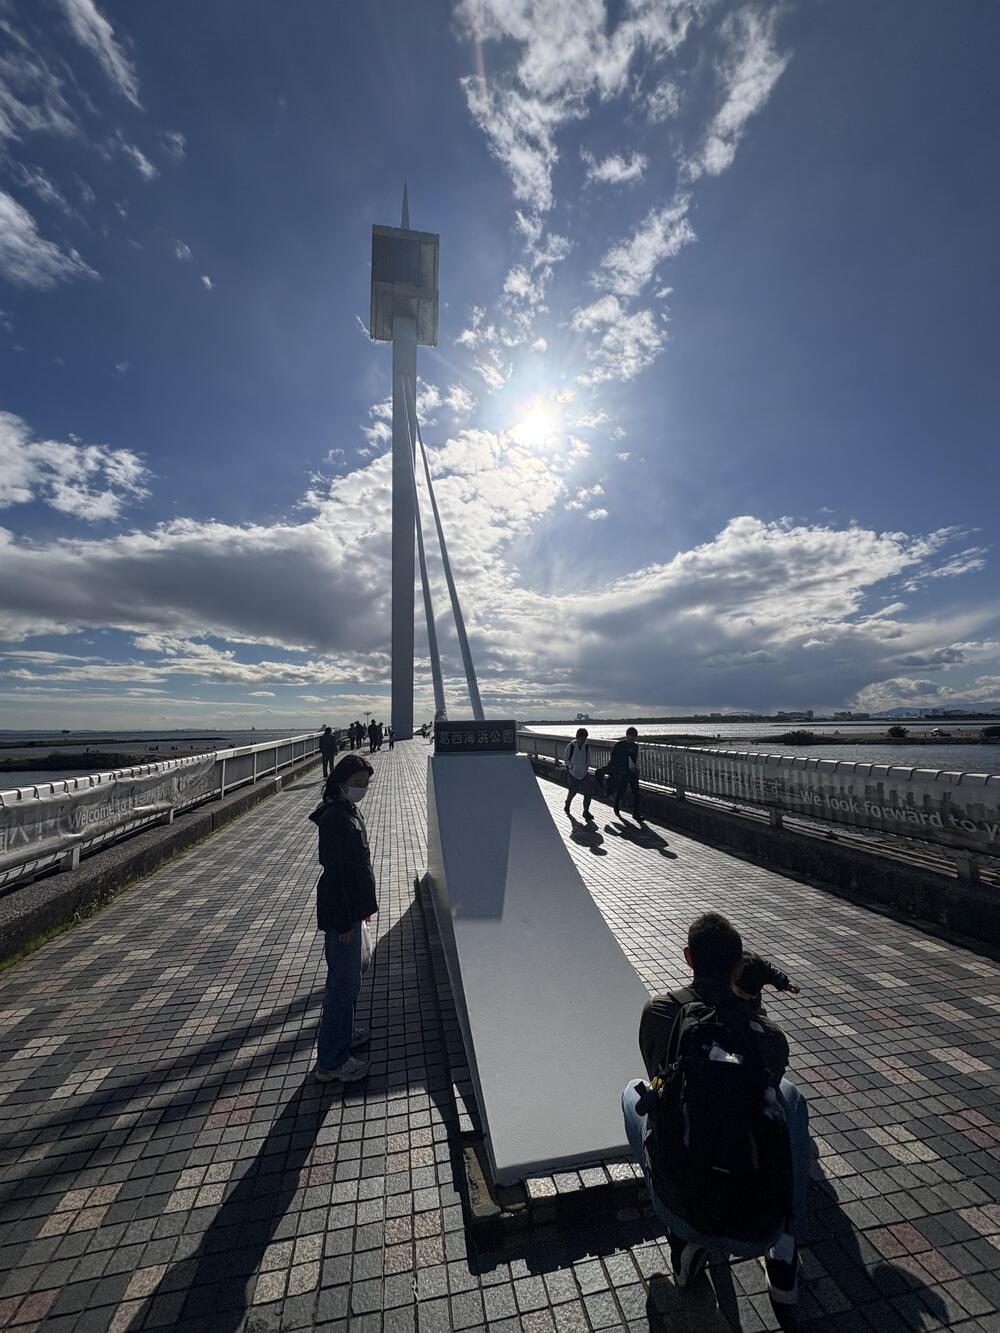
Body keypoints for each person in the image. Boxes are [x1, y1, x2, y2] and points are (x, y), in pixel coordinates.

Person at [621, 913, 809, 1318]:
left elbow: (661, 1082)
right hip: (760, 1216)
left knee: (632, 1095)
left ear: (689, 958)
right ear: (739, 966)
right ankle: (786, 1244)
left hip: (686, 1197)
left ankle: (683, 1240)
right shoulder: (769, 1038)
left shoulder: (658, 1014)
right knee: (791, 1099)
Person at [308, 754, 378, 1083]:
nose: (362, 789)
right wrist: (343, 921)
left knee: (351, 981)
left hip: (351, 912)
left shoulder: (347, 810)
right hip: (342, 916)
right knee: (341, 985)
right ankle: (332, 1062)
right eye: (358, 784)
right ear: (341, 783)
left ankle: (344, 1035)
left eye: (365, 784)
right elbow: (336, 873)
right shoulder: (336, 818)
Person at [607, 726, 642, 820]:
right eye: (631, 736)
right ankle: (616, 804)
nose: (633, 738)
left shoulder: (635, 746)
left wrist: (635, 769)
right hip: (622, 772)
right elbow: (614, 758)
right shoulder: (619, 745)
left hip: (632, 772)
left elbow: (634, 759)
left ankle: (636, 813)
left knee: (636, 793)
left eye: (634, 736)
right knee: (621, 790)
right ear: (627, 735)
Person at [563, 727, 594, 820]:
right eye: (581, 738)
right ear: (577, 737)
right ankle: (568, 803)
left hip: (584, 773)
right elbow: (566, 757)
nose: (583, 740)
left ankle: (586, 811)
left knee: (588, 792)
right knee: (573, 791)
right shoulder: (571, 746)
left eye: (584, 738)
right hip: (573, 773)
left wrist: (586, 767)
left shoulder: (587, 747)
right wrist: (571, 766)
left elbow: (588, 758)